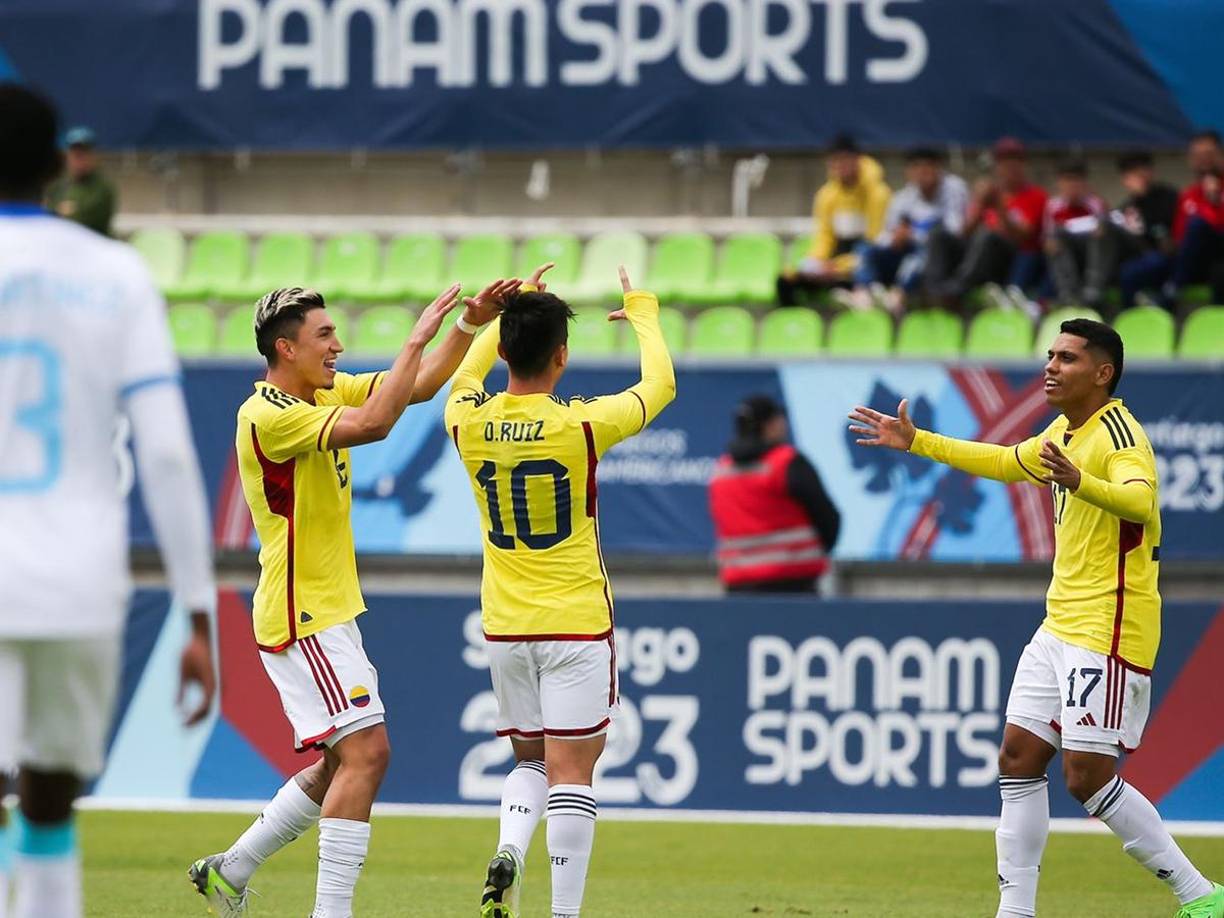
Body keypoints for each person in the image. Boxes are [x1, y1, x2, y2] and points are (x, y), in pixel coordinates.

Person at [849, 319, 1223, 918]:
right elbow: (1004, 461)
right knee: (1019, 758)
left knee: (1087, 778)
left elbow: (1141, 500)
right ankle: (1015, 912)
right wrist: (918, 441)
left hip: (1108, 624)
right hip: (1059, 623)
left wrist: (1084, 482)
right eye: (1050, 355)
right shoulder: (1063, 431)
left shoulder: (1119, 434)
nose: (1051, 366)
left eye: (1068, 358)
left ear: (1102, 373)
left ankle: (1200, 895)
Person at [189, 277, 517, 918]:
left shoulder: (318, 391)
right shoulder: (268, 415)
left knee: (342, 761)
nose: (337, 345)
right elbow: (375, 423)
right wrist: (416, 335)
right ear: (285, 348)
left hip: (326, 611)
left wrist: (465, 327)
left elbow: (415, 388)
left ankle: (231, 870)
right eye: (324, 335)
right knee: (368, 753)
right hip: (301, 613)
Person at [0, 84, 217, 918]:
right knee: (51, 807)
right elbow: (164, 453)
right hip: (77, 583)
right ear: (59, 167)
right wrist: (198, 613)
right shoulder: (116, 273)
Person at [444, 264, 675, 918]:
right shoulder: (580, 426)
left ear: (506, 351)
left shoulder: (467, 421)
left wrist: (490, 319)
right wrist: (642, 311)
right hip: (574, 621)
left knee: (529, 759)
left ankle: (510, 849)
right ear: (563, 356)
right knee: (574, 771)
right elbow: (661, 384)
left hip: (505, 625)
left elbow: (460, 377)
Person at [708, 395, 840, 593]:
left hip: (739, 588)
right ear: (769, 424)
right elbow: (827, 517)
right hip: (793, 585)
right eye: (779, 419)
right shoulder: (787, 463)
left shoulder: (721, 471)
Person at [927, 137, 1048, 311]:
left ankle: (958, 287)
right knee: (939, 235)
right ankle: (935, 289)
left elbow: (1023, 236)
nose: (1009, 169)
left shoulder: (1035, 196)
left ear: (1023, 166)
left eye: (1015, 163)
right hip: (979, 258)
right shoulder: (987, 193)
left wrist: (1000, 206)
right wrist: (980, 204)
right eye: (1004, 163)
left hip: (1013, 261)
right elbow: (964, 233)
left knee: (988, 235)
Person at [776, 134, 891, 307]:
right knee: (785, 281)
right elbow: (824, 237)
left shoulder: (879, 194)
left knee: (863, 272)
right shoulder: (826, 195)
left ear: (858, 160)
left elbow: (875, 242)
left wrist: (838, 267)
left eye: (844, 160)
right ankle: (798, 329)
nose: (839, 166)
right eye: (834, 161)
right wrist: (817, 262)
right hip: (835, 263)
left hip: (865, 262)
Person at [853, 146, 968, 313]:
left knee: (920, 254)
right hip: (903, 253)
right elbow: (884, 236)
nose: (922, 172)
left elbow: (954, 230)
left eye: (928, 166)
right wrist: (895, 238)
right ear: (908, 172)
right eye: (916, 167)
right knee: (864, 248)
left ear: (938, 168)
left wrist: (912, 236)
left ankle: (899, 295)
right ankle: (863, 295)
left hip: (941, 260)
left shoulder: (954, 188)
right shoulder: (902, 198)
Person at [1081, 152, 1179, 313]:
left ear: (1150, 172)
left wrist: (1143, 199)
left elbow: (1163, 234)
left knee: (1130, 271)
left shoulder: (1167, 196)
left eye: (1140, 171)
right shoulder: (1126, 206)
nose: (1137, 177)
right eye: (1130, 174)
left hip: (1160, 255)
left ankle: (1132, 311)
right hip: (1133, 257)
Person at [1043, 160, 1108, 306]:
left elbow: (1104, 236)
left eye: (1076, 180)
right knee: (1056, 239)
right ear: (1059, 183)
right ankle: (1067, 294)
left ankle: (1093, 291)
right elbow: (1047, 240)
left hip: (1089, 255)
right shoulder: (1053, 206)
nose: (1072, 185)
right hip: (1065, 258)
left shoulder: (1095, 204)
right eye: (1067, 180)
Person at [1170, 133, 1224, 307]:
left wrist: (1214, 202)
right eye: (1198, 155)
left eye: (1208, 154)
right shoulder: (1188, 195)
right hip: (1194, 260)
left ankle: (1173, 287)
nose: (1204, 160)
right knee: (1143, 268)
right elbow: (1179, 237)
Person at [44, 127, 116, 237]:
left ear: (92, 156)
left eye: (84, 154)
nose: (80, 160)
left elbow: (85, 220)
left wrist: (62, 211)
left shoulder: (102, 188)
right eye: (76, 155)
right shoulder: (58, 185)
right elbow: (46, 215)